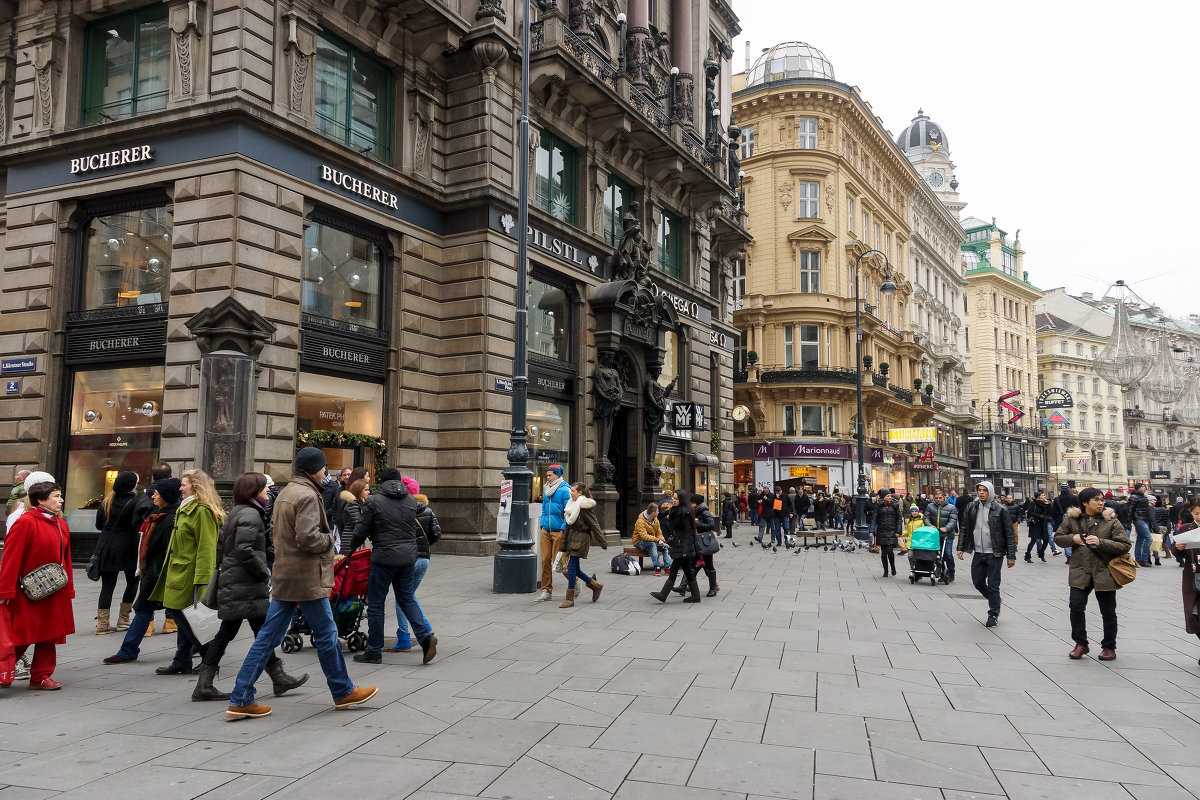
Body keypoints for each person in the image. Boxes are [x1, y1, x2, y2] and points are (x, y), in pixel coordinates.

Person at [225, 446, 377, 719]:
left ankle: (241, 696)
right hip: (306, 577)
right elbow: (308, 537)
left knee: (269, 637)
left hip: (287, 574)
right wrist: (328, 541)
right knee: (327, 635)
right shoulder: (307, 494)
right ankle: (342, 691)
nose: (325, 474)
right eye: (323, 468)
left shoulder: (285, 492)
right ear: (316, 469)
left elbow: (276, 532)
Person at [192, 472, 308, 701]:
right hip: (243, 585)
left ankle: (278, 678)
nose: (268, 491)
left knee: (255, 631)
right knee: (242, 632)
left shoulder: (241, 511)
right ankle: (205, 685)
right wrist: (265, 572)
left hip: (240, 584)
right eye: (264, 487)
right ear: (253, 491)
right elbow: (244, 550)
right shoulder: (251, 514)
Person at [349, 467, 437, 663]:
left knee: (376, 604)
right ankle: (424, 637)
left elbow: (361, 530)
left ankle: (373, 651)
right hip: (407, 559)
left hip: (384, 559)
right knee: (406, 599)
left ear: (383, 483)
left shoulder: (374, 501)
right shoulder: (410, 501)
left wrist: (350, 548)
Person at [0, 479, 74, 689]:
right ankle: (4, 670)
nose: (61, 500)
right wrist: (5, 589)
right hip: (26, 590)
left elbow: (65, 558)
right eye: (56, 497)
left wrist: (69, 588)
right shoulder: (24, 522)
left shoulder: (61, 523)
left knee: (50, 634)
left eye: (60, 496)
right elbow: (10, 557)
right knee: (21, 635)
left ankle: (41, 676)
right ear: (41, 500)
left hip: (55, 589)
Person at [149, 469, 223, 675]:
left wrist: (203, 582)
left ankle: (210, 659)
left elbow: (207, 549)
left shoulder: (202, 511)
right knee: (181, 618)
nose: (180, 488)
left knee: (185, 618)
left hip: (189, 575)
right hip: (177, 573)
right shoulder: (185, 508)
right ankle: (182, 660)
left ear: (196, 487)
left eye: (184, 484)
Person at [103, 479, 182, 664]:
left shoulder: (171, 519)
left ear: (167, 496)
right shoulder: (159, 514)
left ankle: (199, 648)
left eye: (157, 493)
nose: (153, 495)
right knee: (144, 609)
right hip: (152, 572)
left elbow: (168, 550)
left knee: (178, 613)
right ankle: (128, 650)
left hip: (161, 573)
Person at [1054, 487, 1130, 661]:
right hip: (1080, 570)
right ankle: (1081, 643)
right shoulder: (1072, 520)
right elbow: (1058, 537)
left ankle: (1109, 646)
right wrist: (1072, 539)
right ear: (1085, 502)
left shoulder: (1111, 521)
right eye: (1096, 499)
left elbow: (1125, 545)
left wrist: (1101, 542)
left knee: (1108, 611)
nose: (1101, 502)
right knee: (1076, 607)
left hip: (1104, 571)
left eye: (1102, 499)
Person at [956, 481, 1016, 628]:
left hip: (995, 553)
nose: (981, 493)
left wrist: (1011, 555)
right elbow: (964, 527)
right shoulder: (971, 507)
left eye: (984, 490)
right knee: (977, 582)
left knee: (994, 585)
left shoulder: (1000, 509)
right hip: (978, 551)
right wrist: (961, 547)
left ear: (990, 492)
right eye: (979, 490)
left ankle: (993, 614)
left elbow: (1009, 533)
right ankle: (994, 600)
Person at [390, 476, 439, 653]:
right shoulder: (428, 510)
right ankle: (425, 627)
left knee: (402, 598)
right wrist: (424, 548)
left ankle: (404, 638)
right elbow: (436, 533)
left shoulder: (403, 510)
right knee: (409, 595)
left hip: (408, 559)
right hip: (424, 559)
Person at [92, 471, 140, 634]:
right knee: (133, 582)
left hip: (107, 546)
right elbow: (136, 525)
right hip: (129, 546)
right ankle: (124, 619)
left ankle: (102, 624)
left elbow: (99, 525)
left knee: (107, 586)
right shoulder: (134, 504)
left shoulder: (106, 501)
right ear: (132, 486)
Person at [130, 462, 173, 637]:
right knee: (168, 587)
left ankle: (148, 625)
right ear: (170, 476)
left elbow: (135, 522)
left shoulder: (143, 497)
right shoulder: (172, 499)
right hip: (159, 553)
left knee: (146, 590)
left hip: (148, 551)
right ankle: (170, 622)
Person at [558, 482, 607, 608]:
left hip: (581, 540)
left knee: (571, 567)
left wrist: (602, 541)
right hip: (571, 540)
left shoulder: (583, 506)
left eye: (573, 490)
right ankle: (596, 586)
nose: (571, 492)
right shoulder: (571, 505)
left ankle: (570, 598)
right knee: (576, 569)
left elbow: (594, 524)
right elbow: (568, 527)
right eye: (571, 490)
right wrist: (563, 546)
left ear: (580, 493)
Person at [650, 490, 701, 603]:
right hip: (679, 542)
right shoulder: (675, 510)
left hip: (683, 545)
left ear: (681, 500)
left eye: (676, 499)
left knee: (674, 568)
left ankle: (663, 594)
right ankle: (696, 596)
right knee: (687, 570)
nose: (674, 500)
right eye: (673, 498)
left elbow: (688, 532)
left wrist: (685, 549)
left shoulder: (686, 512)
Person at [534, 465, 570, 603]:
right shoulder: (546, 489)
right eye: (547, 475)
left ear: (557, 475)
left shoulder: (564, 490)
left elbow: (568, 512)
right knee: (545, 561)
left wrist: (562, 529)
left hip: (558, 531)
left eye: (550, 475)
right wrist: (542, 524)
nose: (547, 477)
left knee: (560, 562)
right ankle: (546, 591)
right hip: (546, 530)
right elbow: (544, 510)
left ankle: (575, 581)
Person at [1171, 498, 1200, 666]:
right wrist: (1178, 548)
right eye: (1196, 513)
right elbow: (1178, 554)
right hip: (1192, 576)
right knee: (1192, 614)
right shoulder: (1186, 529)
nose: (1199, 517)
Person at [924, 489, 959, 583]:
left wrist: (947, 528)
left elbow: (953, 520)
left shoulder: (951, 507)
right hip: (935, 534)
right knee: (938, 555)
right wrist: (929, 525)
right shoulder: (930, 506)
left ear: (944, 497)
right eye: (936, 498)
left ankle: (951, 571)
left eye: (940, 498)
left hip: (947, 534)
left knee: (947, 553)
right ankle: (942, 572)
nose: (938, 500)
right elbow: (926, 517)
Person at [690, 493, 719, 597]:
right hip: (698, 541)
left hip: (705, 542)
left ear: (696, 504)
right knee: (692, 564)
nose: (691, 505)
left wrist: (697, 523)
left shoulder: (704, 512)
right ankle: (688, 586)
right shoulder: (697, 511)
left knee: (709, 565)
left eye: (692, 503)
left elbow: (711, 525)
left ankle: (713, 589)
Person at [633, 502, 671, 576]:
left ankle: (668, 568)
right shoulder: (640, 521)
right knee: (652, 544)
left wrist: (662, 539)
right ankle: (657, 566)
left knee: (665, 546)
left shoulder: (656, 520)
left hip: (652, 540)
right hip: (639, 542)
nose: (658, 512)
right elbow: (644, 536)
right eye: (657, 511)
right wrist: (657, 540)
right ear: (653, 513)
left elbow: (659, 533)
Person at [337, 478, 370, 555]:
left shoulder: (358, 504)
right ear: (359, 491)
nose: (368, 492)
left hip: (352, 541)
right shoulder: (353, 505)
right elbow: (358, 525)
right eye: (366, 490)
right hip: (351, 543)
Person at [874, 493, 901, 577]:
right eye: (888, 496)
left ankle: (893, 567)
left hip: (892, 530)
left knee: (890, 550)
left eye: (890, 496)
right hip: (882, 530)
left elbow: (899, 518)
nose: (890, 497)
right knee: (883, 553)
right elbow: (874, 518)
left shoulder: (895, 505)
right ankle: (885, 571)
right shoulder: (878, 505)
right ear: (883, 497)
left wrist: (898, 531)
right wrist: (871, 531)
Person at [1129, 482, 1154, 568]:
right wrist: (1130, 521)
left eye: (1145, 486)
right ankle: (1144, 559)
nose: (1144, 488)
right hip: (1139, 519)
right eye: (1143, 486)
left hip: (1144, 519)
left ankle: (1138, 559)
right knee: (1149, 538)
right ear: (1138, 488)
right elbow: (1130, 510)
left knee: (1140, 539)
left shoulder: (1143, 497)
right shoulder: (1134, 497)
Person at [1023, 490, 1054, 562]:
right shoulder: (1033, 503)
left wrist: (1047, 504)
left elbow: (1049, 513)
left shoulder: (1044, 503)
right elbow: (1030, 512)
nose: (1044, 497)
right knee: (1033, 540)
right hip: (1035, 523)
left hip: (1043, 523)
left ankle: (1041, 553)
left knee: (1046, 539)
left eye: (1044, 495)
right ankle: (1027, 556)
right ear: (1038, 497)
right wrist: (1040, 516)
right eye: (1042, 495)